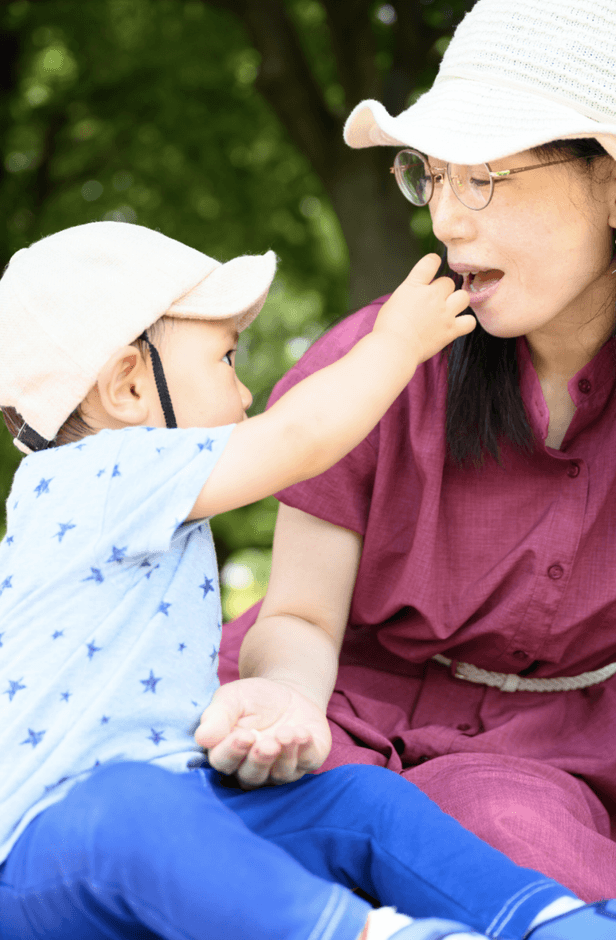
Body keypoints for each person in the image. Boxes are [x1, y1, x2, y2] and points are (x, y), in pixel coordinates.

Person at [0, 219, 594, 940]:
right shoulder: (94, 478)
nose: (244, 396)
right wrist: (396, 343)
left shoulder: (133, 497)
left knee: (361, 800)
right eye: (226, 361)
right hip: (38, 859)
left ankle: (550, 921)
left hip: (167, 813)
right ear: (128, 384)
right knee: (133, 805)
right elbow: (298, 437)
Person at [207, 0, 616, 907]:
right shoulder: (369, 367)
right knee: (198, 846)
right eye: (430, 177)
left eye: (483, 178)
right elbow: (302, 618)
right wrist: (284, 704)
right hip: (330, 708)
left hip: (551, 763)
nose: (446, 222)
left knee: (519, 858)